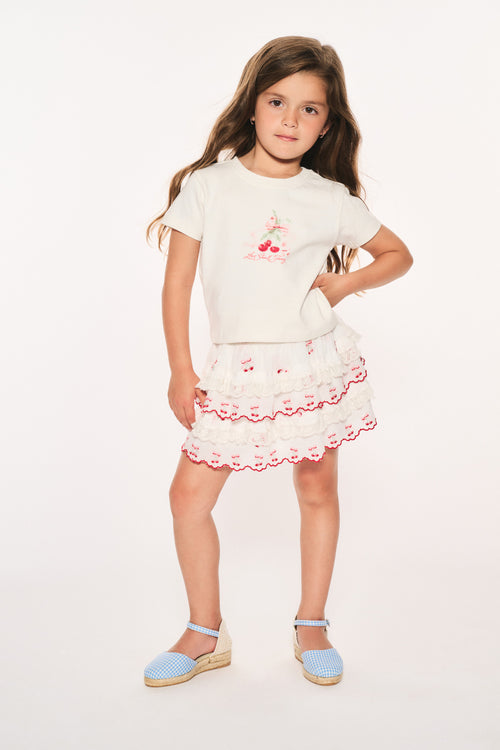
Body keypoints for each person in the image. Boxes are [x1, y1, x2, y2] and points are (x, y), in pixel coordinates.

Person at [143, 35, 413, 688]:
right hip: (234, 370)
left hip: (310, 362)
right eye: (277, 101)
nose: (291, 120)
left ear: (327, 124)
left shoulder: (329, 199)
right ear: (253, 105)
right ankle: (204, 632)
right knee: (187, 497)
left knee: (317, 489)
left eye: (309, 109)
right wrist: (182, 369)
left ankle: (311, 624)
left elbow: (397, 255)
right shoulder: (208, 187)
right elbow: (176, 285)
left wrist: (344, 284)